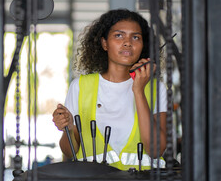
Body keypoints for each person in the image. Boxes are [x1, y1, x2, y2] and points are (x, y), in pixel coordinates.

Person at [52, 9, 167, 170]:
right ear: (104, 43)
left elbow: (155, 150)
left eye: (136, 37)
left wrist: (139, 91)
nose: (128, 42)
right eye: (119, 35)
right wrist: (68, 129)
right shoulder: (80, 86)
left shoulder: (155, 88)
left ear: (143, 45)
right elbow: (70, 152)